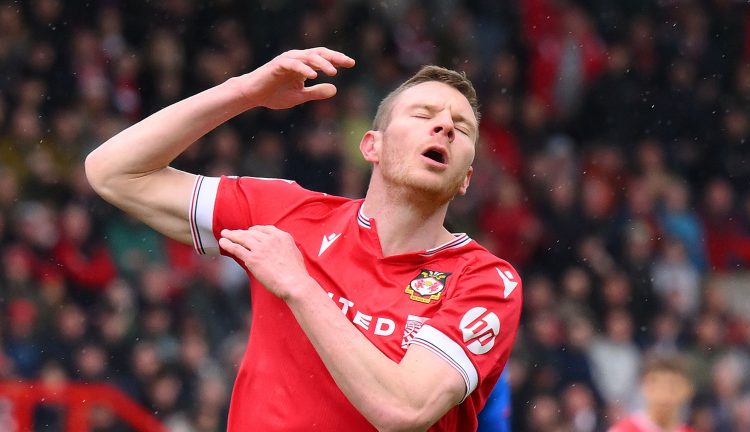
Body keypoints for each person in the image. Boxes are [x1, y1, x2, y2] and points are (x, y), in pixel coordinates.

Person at [85, 47, 523, 431]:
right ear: (372, 146)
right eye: (424, 115)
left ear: (466, 178)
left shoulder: (486, 281)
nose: (445, 126)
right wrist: (245, 92)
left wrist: (300, 286)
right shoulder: (287, 213)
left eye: (461, 128)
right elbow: (114, 173)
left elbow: (403, 410)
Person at [608, 354, 695, 432]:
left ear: (688, 390)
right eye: (655, 385)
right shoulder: (622, 430)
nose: (663, 395)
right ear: (642, 386)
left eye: (672, 386)